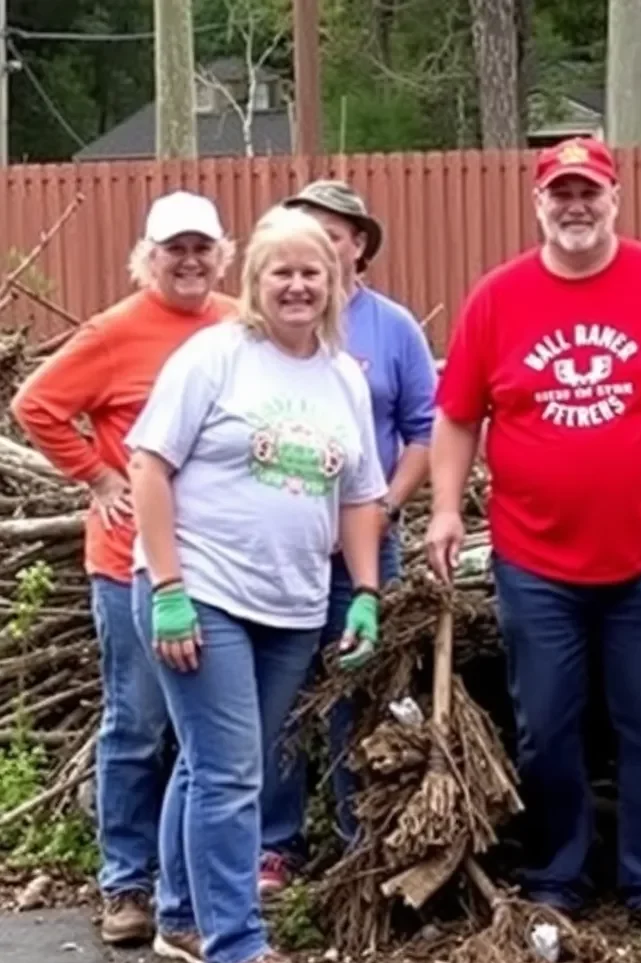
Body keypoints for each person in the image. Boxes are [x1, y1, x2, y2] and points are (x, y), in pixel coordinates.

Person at [425, 137, 641, 935]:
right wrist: (447, 508)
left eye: (588, 191)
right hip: (536, 558)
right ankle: (556, 873)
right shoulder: (499, 298)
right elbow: (457, 416)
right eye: (560, 194)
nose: (575, 206)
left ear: (614, 198)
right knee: (547, 723)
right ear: (538, 204)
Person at [125, 206, 387, 963]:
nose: (299, 286)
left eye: (313, 272)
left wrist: (367, 592)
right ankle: (234, 949)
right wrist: (168, 586)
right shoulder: (216, 357)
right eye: (283, 273)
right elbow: (146, 465)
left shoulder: (342, 375)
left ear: (336, 282)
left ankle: (179, 914)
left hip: (294, 605)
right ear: (256, 283)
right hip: (201, 589)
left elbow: (360, 496)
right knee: (231, 772)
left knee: (214, 766)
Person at [10, 191, 236, 945]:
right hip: (128, 565)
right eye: (175, 249)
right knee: (137, 726)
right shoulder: (115, 331)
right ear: (149, 256)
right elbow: (36, 404)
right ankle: (126, 885)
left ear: (221, 253)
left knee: (206, 739)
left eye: (202, 247)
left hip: (222, 565)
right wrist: (99, 478)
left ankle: (200, 886)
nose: (190, 261)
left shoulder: (240, 323)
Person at [258, 180, 437, 892]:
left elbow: (425, 430)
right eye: (305, 234)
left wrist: (384, 505)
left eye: (333, 234)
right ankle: (278, 842)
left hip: (365, 545)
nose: (320, 250)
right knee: (280, 693)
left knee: (355, 685)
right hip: (282, 548)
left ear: (359, 244)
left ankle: (357, 835)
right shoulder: (265, 329)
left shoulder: (390, 329)